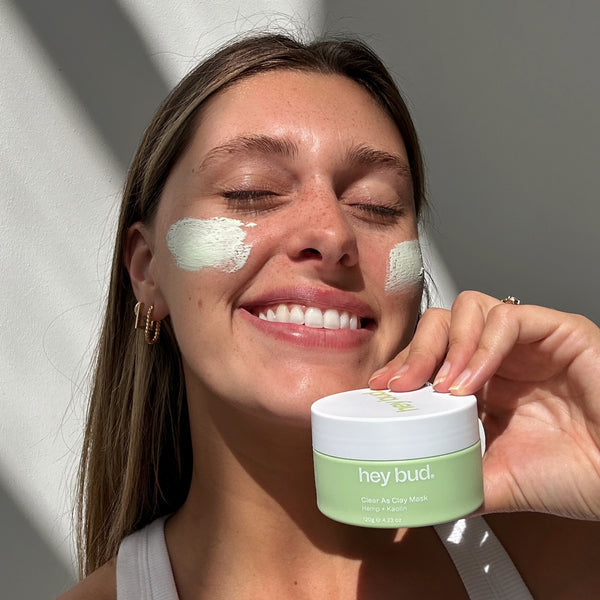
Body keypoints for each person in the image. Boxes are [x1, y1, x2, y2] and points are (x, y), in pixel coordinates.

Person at [59, 34, 600, 599]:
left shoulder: (572, 560)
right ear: (147, 270)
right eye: (252, 191)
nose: (333, 233)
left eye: (376, 205)